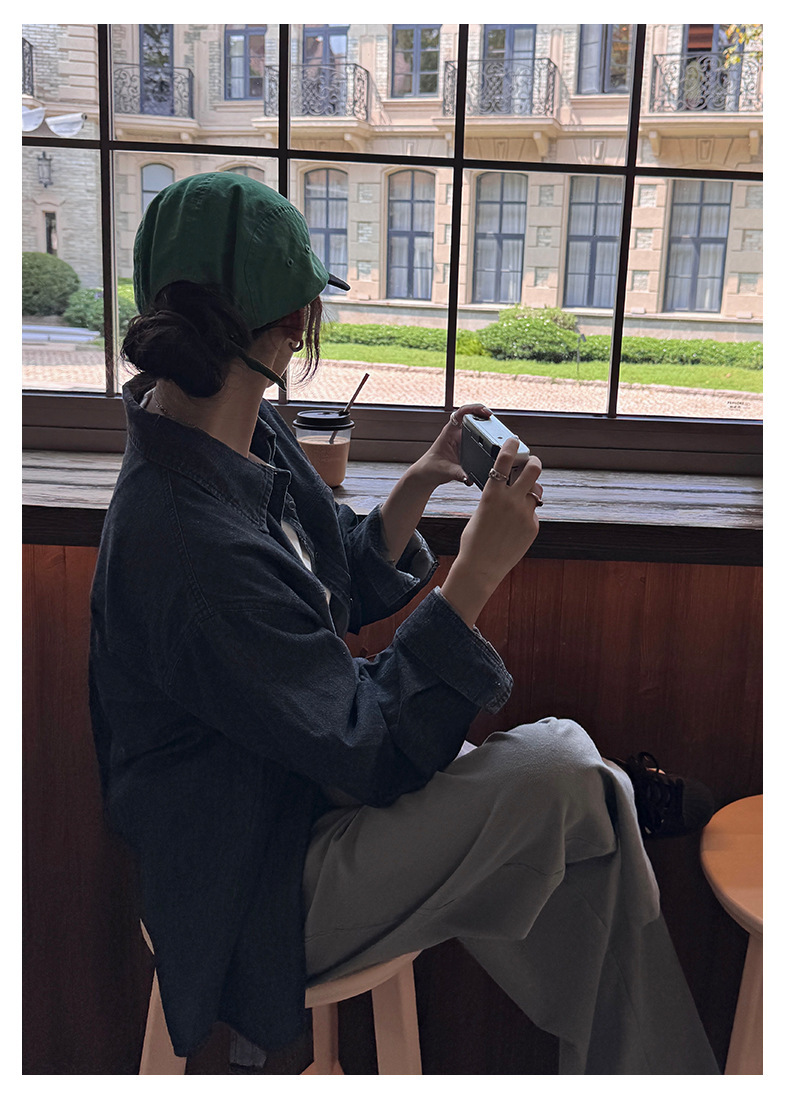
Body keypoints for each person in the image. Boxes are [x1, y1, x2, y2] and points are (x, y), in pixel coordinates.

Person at [89, 171, 718, 1075]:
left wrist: (421, 479)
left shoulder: (229, 432)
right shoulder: (187, 540)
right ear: (295, 323)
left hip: (296, 787)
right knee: (566, 777)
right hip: (254, 880)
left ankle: (638, 1004)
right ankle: (654, 1045)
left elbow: (330, 574)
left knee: (579, 797)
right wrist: (475, 575)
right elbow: (368, 745)